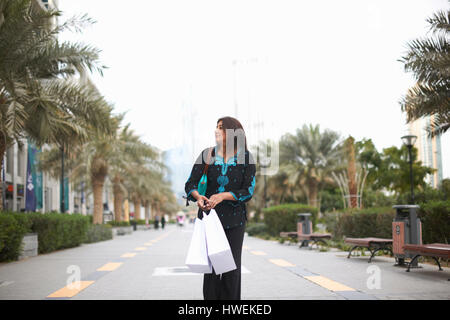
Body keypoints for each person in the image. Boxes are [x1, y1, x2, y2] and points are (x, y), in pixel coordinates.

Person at [185, 116, 256, 300]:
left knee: (232, 270)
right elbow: (190, 184)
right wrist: (198, 197)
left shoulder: (246, 158)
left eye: (221, 128)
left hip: (235, 221)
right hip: (210, 219)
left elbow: (248, 191)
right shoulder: (206, 155)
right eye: (216, 127)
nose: (217, 130)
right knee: (212, 271)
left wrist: (223, 196)